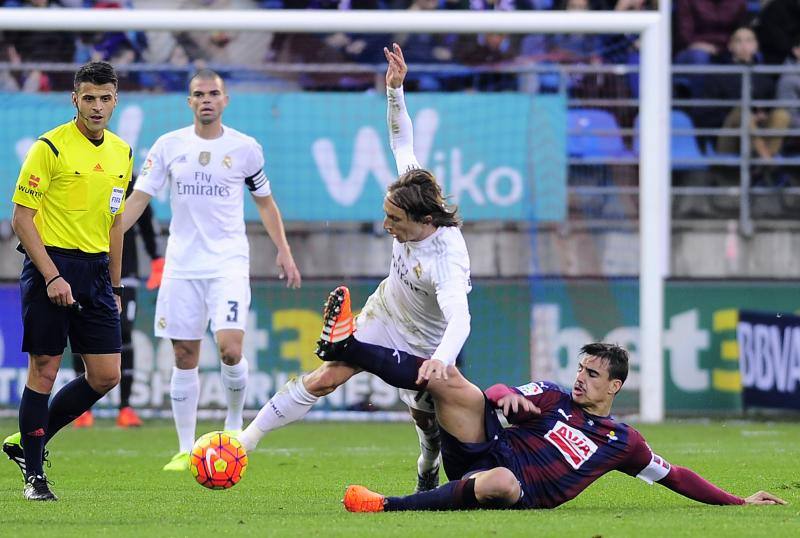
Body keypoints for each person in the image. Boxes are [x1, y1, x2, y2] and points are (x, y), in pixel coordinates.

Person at [236, 43, 472, 494]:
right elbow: (402, 140)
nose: (386, 226)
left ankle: (426, 465)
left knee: (429, 429)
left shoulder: (448, 261)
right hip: (384, 314)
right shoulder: (413, 189)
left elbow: (460, 318)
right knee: (327, 376)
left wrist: (440, 361)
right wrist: (395, 91)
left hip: (426, 344)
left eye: (395, 221)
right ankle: (245, 442)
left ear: (425, 221)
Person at [309, 313, 787, 512]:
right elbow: (497, 390)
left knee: (500, 483)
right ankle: (347, 344)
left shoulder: (624, 443)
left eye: (593, 375)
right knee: (449, 380)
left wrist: (740, 503)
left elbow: (675, 475)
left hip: (516, 488)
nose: (581, 379)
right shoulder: (554, 396)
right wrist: (504, 398)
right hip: (483, 447)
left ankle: (387, 505)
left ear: (615, 386)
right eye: (581, 369)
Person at [121, 68, 301, 472]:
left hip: (227, 264)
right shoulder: (168, 146)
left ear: (225, 100)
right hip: (182, 266)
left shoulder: (246, 149)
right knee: (184, 355)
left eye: (213, 93)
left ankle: (234, 428)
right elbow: (139, 198)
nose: (206, 99)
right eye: (199, 93)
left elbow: (266, 203)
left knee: (230, 348)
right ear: (189, 102)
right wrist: (111, 232)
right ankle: (186, 448)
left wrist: (284, 251)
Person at [2, 61, 132, 501]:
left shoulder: (122, 152)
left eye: (105, 98)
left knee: (106, 375)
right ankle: (34, 477)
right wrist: (52, 274)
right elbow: (21, 219)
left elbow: (116, 225)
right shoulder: (50, 148)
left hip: (95, 272)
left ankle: (27, 444)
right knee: (45, 369)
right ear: (74, 99)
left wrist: (114, 287)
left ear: (116, 100)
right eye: (89, 98)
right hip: (51, 267)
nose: (97, 107)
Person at [71, 180, 163, 429]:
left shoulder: (126, 173)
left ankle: (126, 407)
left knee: (123, 331)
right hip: (85, 265)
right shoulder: (76, 169)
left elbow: (145, 216)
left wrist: (157, 259)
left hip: (125, 272)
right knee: (82, 331)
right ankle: (82, 409)